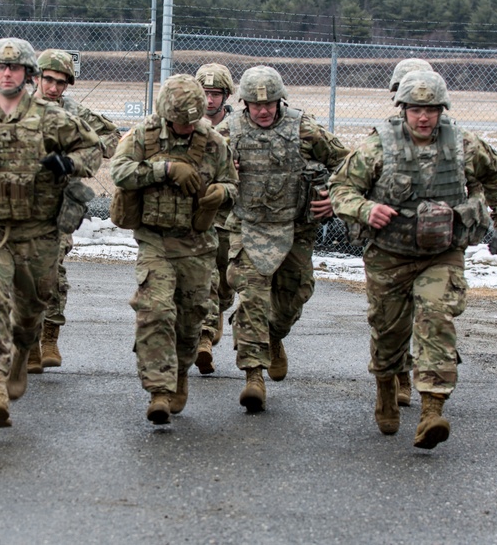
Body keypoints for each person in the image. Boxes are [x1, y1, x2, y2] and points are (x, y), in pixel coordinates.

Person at [328, 70, 497, 449]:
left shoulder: (464, 145)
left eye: (431, 109)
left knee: (436, 316)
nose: (424, 118)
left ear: (442, 110)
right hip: (389, 257)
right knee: (388, 333)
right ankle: (386, 386)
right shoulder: (379, 147)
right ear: (403, 109)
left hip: (441, 253)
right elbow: (340, 187)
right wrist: (365, 209)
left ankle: (432, 409)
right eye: (416, 109)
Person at [0, 37, 101, 428]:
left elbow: (93, 151)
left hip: (38, 232)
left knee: (30, 311)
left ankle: (23, 351)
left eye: (14, 68)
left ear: (27, 75)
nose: (6, 73)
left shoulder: (51, 118)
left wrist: (67, 163)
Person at [110, 74, 238, 425]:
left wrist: (221, 194)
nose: (185, 128)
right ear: (167, 116)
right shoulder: (143, 136)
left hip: (197, 246)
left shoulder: (213, 142)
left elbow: (233, 185)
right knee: (154, 310)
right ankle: (159, 391)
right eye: (179, 123)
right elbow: (119, 172)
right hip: (155, 241)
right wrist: (164, 169)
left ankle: (180, 371)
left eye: (190, 122)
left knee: (191, 317)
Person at [224, 66, 348, 412]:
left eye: (270, 104)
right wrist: (221, 169)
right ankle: (253, 376)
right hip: (248, 227)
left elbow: (351, 164)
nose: (262, 111)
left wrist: (335, 198)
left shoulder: (304, 129)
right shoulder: (228, 130)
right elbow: (200, 160)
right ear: (244, 104)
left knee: (294, 296)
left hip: (294, 229)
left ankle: (274, 336)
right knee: (251, 296)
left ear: (281, 101)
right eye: (254, 105)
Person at [29, 48, 120, 373]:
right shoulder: (17, 108)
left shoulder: (74, 112)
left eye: (61, 82)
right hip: (20, 204)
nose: (54, 88)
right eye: (48, 80)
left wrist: (78, 160)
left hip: (59, 204)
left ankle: (50, 336)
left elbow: (112, 137)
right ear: (36, 78)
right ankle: (28, 342)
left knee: (53, 269)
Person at [385, 57, 434, 406]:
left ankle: (430, 387)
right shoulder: (383, 139)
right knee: (397, 318)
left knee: (433, 313)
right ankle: (399, 374)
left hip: (437, 246)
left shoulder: (453, 137)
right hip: (394, 245)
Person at [192, 62, 236, 374]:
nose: (210, 100)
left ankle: (219, 309)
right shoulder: (187, 125)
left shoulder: (238, 128)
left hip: (232, 216)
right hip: (200, 216)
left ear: (226, 96)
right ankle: (204, 336)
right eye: (204, 93)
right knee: (206, 274)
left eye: (216, 94)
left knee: (225, 279)